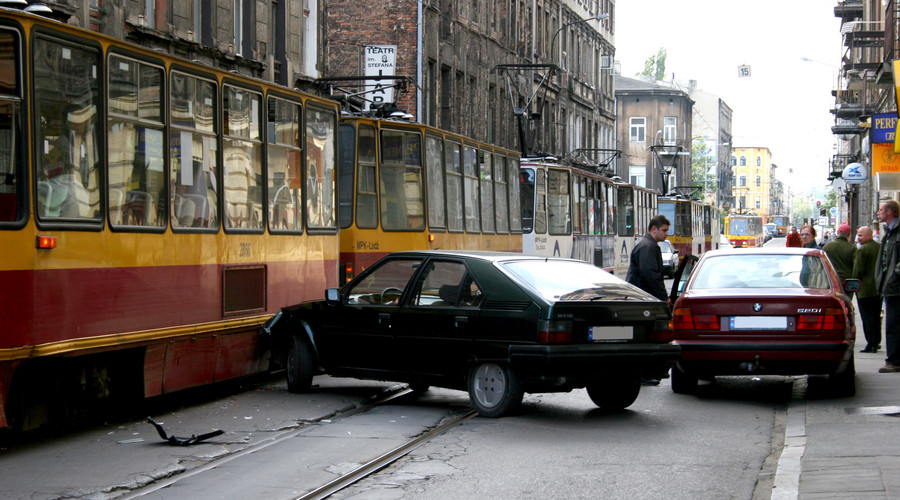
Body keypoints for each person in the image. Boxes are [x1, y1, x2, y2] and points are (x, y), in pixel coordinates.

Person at [626, 214, 671, 386]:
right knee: (643, 338)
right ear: (654, 229)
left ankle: (645, 373)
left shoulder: (649, 245)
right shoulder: (647, 247)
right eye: (664, 230)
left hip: (642, 298)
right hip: (642, 300)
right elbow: (650, 275)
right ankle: (644, 373)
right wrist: (663, 298)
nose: (667, 234)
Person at [875, 199, 900, 373]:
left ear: (890, 212)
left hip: (896, 287)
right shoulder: (890, 231)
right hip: (891, 286)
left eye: (881, 210)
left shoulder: (896, 232)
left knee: (893, 325)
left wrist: (893, 275)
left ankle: (894, 361)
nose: (878, 212)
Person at [853, 225, 882, 353]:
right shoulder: (879, 247)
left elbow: (858, 270)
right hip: (877, 287)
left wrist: (854, 282)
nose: (858, 238)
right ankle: (876, 342)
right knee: (876, 317)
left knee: (867, 317)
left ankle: (870, 343)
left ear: (869, 235)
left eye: (860, 235)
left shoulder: (863, 250)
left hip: (864, 289)